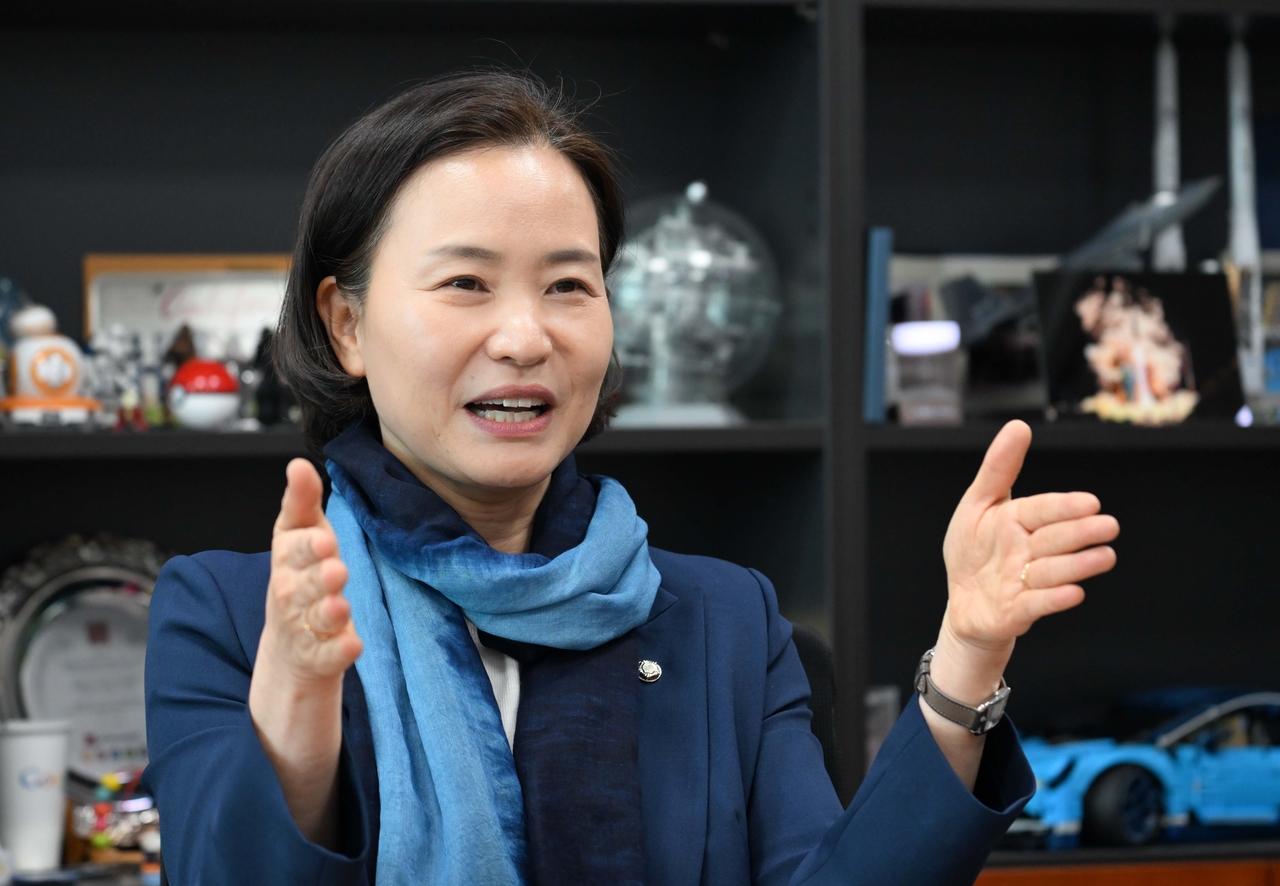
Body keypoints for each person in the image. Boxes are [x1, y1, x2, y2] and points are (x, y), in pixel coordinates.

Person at [142, 71, 1120, 886]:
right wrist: (298, 698)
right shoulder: (229, 613)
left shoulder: (725, 620)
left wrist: (965, 658)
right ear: (345, 322)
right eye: (465, 283)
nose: (525, 337)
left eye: (569, 284)